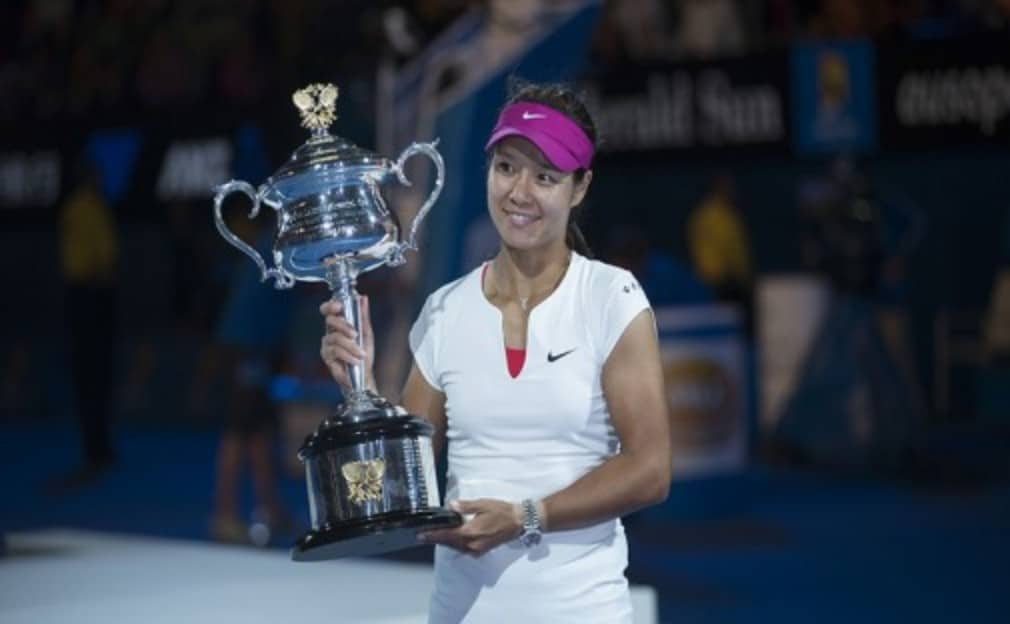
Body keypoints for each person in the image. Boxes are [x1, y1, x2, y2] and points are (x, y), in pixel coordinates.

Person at [321, 80, 672, 622]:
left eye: (545, 176)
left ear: (580, 188)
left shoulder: (612, 297)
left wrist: (526, 516)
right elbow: (399, 488)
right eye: (506, 167)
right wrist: (360, 389)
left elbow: (650, 470)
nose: (519, 193)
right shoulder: (444, 309)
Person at [49, 159, 120, 492]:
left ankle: (101, 447)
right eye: (95, 174)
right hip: (85, 295)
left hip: (99, 294)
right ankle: (94, 448)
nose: (100, 179)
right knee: (88, 375)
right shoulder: (79, 208)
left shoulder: (96, 206)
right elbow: (81, 260)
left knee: (101, 373)